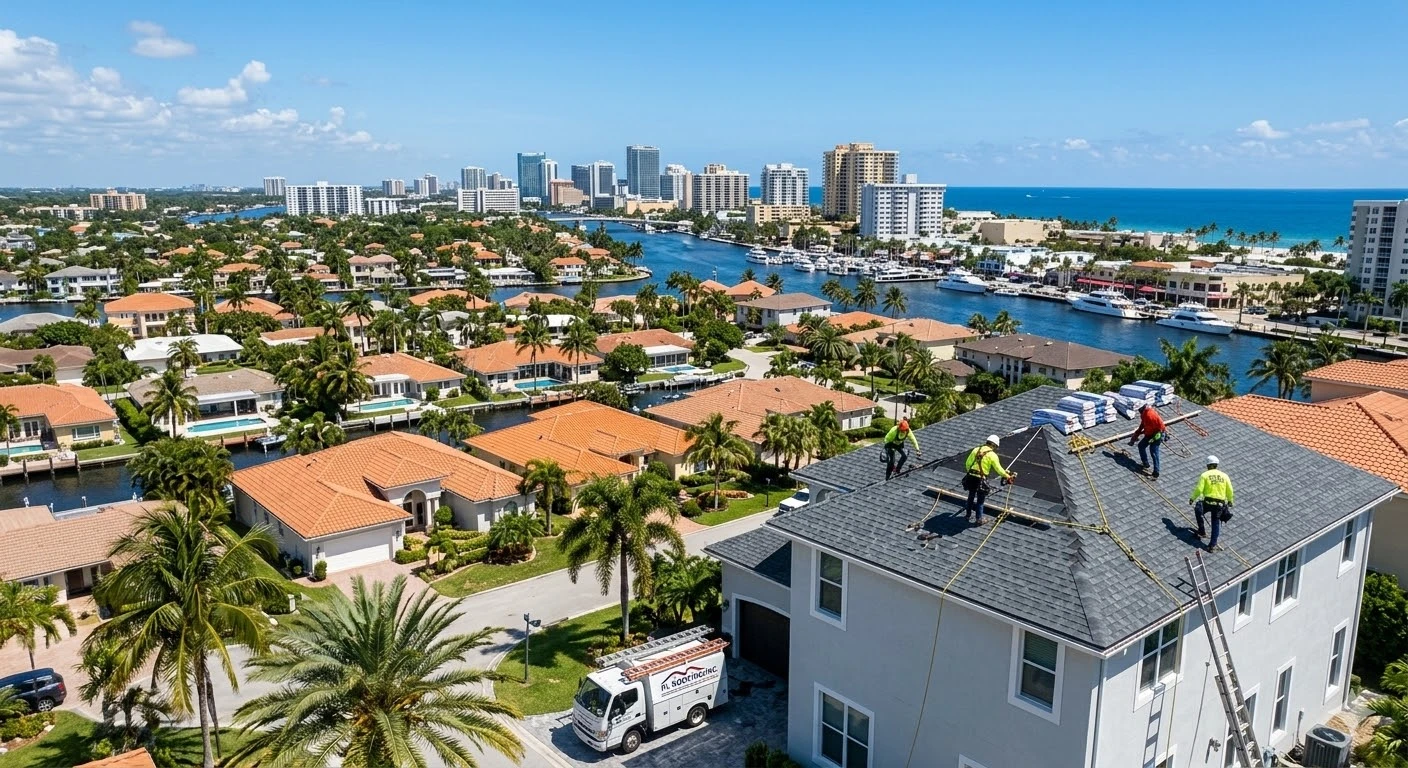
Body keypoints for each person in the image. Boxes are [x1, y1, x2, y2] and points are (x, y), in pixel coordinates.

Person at [963, 434, 1014, 525]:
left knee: (971, 496)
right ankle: (979, 519)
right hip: (980, 480)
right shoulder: (992, 455)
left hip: (971, 477)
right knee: (980, 500)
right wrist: (1008, 476)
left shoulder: (976, 450)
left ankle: (967, 515)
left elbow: (967, 464)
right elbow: (999, 470)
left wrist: (971, 473)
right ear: (994, 445)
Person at [1190, 455, 1234, 550]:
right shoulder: (1224, 476)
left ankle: (1202, 531)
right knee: (1215, 522)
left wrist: (1192, 498)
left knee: (1198, 510)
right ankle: (1212, 545)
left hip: (1208, 502)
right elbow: (1230, 490)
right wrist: (1230, 501)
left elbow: (1199, 489)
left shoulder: (1205, 475)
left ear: (1208, 465)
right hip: (1219, 504)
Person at [1127, 403, 1167, 478]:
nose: (1139, 411)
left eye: (1139, 410)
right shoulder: (1144, 414)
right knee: (1141, 446)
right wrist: (1134, 437)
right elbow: (1142, 425)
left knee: (1154, 452)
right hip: (1150, 434)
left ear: (1142, 408)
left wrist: (1153, 439)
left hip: (1157, 434)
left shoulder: (1150, 415)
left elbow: (1159, 428)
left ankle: (1156, 472)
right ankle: (1145, 463)